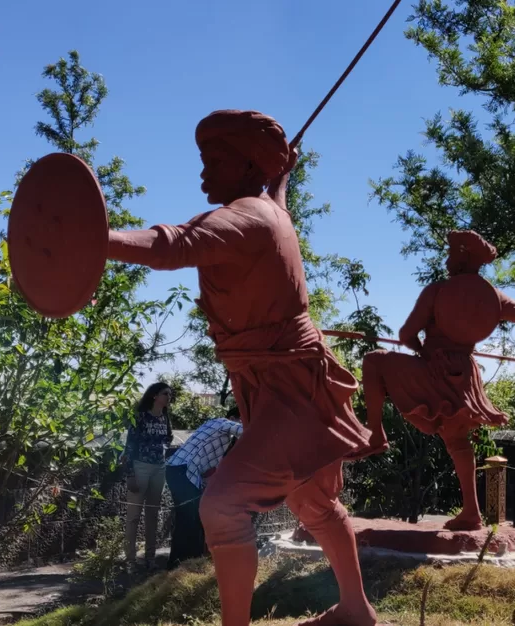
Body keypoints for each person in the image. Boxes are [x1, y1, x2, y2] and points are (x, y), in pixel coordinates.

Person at [105, 109, 379, 626]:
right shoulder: (268, 212)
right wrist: (283, 177)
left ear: (247, 163)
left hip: (289, 395)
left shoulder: (246, 218)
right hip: (287, 385)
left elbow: (174, 244)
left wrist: (100, 241)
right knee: (315, 505)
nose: (204, 173)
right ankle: (355, 610)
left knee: (223, 507)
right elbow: (275, 201)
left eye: (215, 160)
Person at [357, 230, 515, 530]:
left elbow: (406, 335)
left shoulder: (437, 291)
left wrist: (424, 352)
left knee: (373, 362)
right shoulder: (493, 298)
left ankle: (375, 433)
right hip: (463, 376)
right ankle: (471, 512)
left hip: (434, 370)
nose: (447, 260)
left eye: (451, 254)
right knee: (456, 438)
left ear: (462, 257)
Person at [165, 416, 244, 568]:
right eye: (239, 419)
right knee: (193, 521)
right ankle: (190, 564)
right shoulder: (223, 423)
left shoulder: (213, 429)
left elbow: (209, 471)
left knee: (185, 520)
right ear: (233, 418)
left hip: (175, 469)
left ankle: (176, 564)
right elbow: (247, 433)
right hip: (185, 471)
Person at [121, 381, 173, 570]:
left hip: (159, 469)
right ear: (154, 396)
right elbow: (129, 447)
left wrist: (162, 452)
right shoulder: (141, 417)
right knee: (133, 517)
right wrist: (130, 475)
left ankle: (150, 558)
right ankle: (130, 561)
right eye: (165, 393)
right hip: (140, 467)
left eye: (169, 394)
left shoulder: (165, 418)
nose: (169, 397)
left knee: (153, 515)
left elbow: (168, 438)